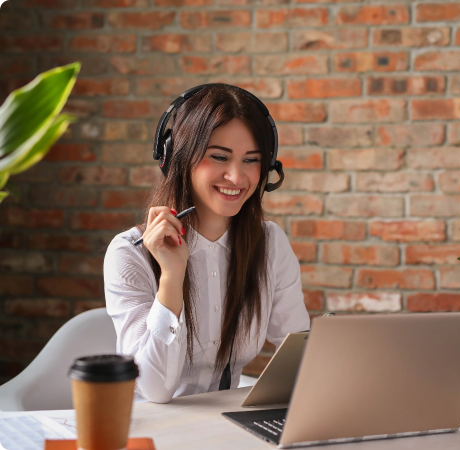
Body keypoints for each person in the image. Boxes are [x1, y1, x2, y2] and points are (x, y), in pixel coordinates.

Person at [103, 84, 310, 403]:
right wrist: (171, 277)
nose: (237, 177)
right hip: (147, 428)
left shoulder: (270, 244)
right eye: (219, 157)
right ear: (176, 156)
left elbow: (300, 354)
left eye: (251, 160)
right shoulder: (129, 253)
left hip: (225, 426)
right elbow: (155, 390)